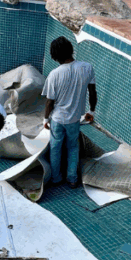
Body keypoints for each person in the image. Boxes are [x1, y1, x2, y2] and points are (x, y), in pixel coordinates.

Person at [42, 36, 97, 188]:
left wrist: (46, 119)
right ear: (71, 50)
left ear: (55, 56)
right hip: (74, 119)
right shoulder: (87, 68)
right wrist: (91, 111)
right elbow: (92, 93)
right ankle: (72, 178)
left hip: (58, 119)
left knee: (55, 147)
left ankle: (55, 178)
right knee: (73, 147)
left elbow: (50, 102)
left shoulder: (54, 74)